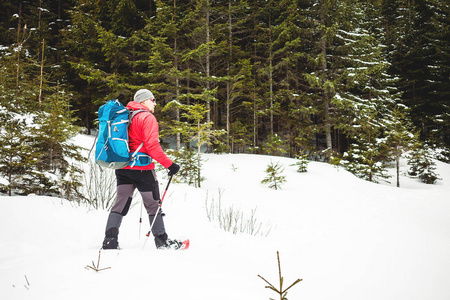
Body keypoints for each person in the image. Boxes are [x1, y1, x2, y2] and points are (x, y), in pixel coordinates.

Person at [102, 89, 181, 250]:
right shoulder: (147, 118)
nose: (155, 103)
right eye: (153, 100)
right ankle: (162, 242)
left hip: (123, 168)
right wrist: (170, 165)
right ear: (144, 101)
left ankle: (109, 241)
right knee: (153, 205)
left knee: (120, 204)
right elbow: (152, 146)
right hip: (143, 170)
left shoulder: (125, 116)